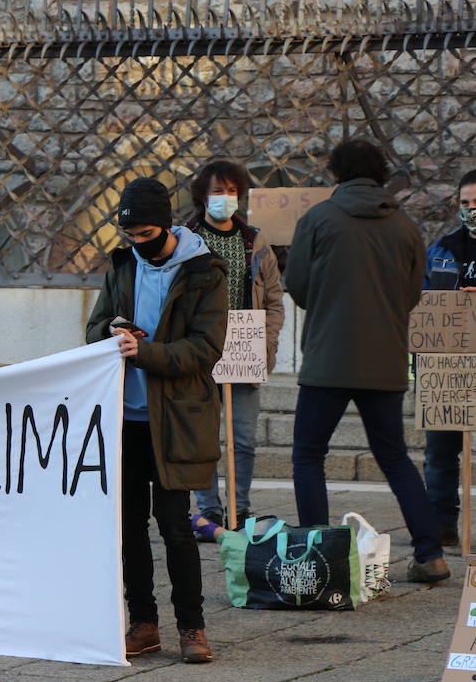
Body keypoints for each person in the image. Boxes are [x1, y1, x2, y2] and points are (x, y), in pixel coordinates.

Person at [286, 138, 448, 583]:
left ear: (336, 173)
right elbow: (413, 293)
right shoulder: (405, 227)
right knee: (395, 458)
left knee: (307, 456)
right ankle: (430, 554)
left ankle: (318, 560)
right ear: (380, 175)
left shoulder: (318, 218)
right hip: (385, 361)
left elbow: (296, 286)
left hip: (328, 360)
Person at [86, 177, 227, 664]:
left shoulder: (204, 271)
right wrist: (112, 331)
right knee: (127, 526)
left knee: (176, 526)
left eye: (145, 234)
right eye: (129, 235)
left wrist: (145, 352)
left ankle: (193, 627)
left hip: (178, 420)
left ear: (166, 227)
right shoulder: (122, 265)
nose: (137, 244)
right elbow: (94, 328)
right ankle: (142, 624)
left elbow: (206, 349)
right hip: (125, 417)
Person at [184, 161, 285, 533]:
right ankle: (208, 509)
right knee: (203, 438)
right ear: (201, 195)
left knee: (243, 438)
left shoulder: (256, 242)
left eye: (230, 191)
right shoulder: (185, 238)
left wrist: (267, 343)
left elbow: (274, 299)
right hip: (199, 352)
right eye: (216, 191)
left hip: (245, 350)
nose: (224, 199)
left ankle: (239, 509)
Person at [420, 169, 476, 548]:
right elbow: (422, 300)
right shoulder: (441, 249)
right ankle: (441, 524)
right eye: (465, 203)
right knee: (441, 449)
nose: (471, 209)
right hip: (449, 362)